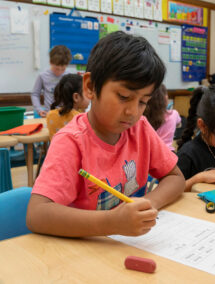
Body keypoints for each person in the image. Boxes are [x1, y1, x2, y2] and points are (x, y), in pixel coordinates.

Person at [26, 31, 185, 238]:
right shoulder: (72, 141)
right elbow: (37, 215)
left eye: (143, 101)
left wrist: (149, 204)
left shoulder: (140, 128)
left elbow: (176, 177)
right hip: (85, 250)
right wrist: (113, 222)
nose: (133, 111)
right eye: (124, 96)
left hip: (128, 246)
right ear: (90, 87)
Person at [31, 45, 72, 117]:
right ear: (50, 62)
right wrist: (39, 109)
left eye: (63, 69)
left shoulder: (69, 76)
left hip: (65, 114)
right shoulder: (42, 76)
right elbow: (35, 94)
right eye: (56, 69)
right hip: (49, 115)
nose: (59, 72)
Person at [46, 74, 90, 139]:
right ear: (76, 97)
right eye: (88, 92)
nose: (90, 97)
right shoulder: (80, 119)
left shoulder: (50, 114)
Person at [143, 84, 181, 151]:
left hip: (149, 153)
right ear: (165, 98)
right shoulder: (174, 114)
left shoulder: (142, 117)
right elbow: (179, 124)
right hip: (168, 153)